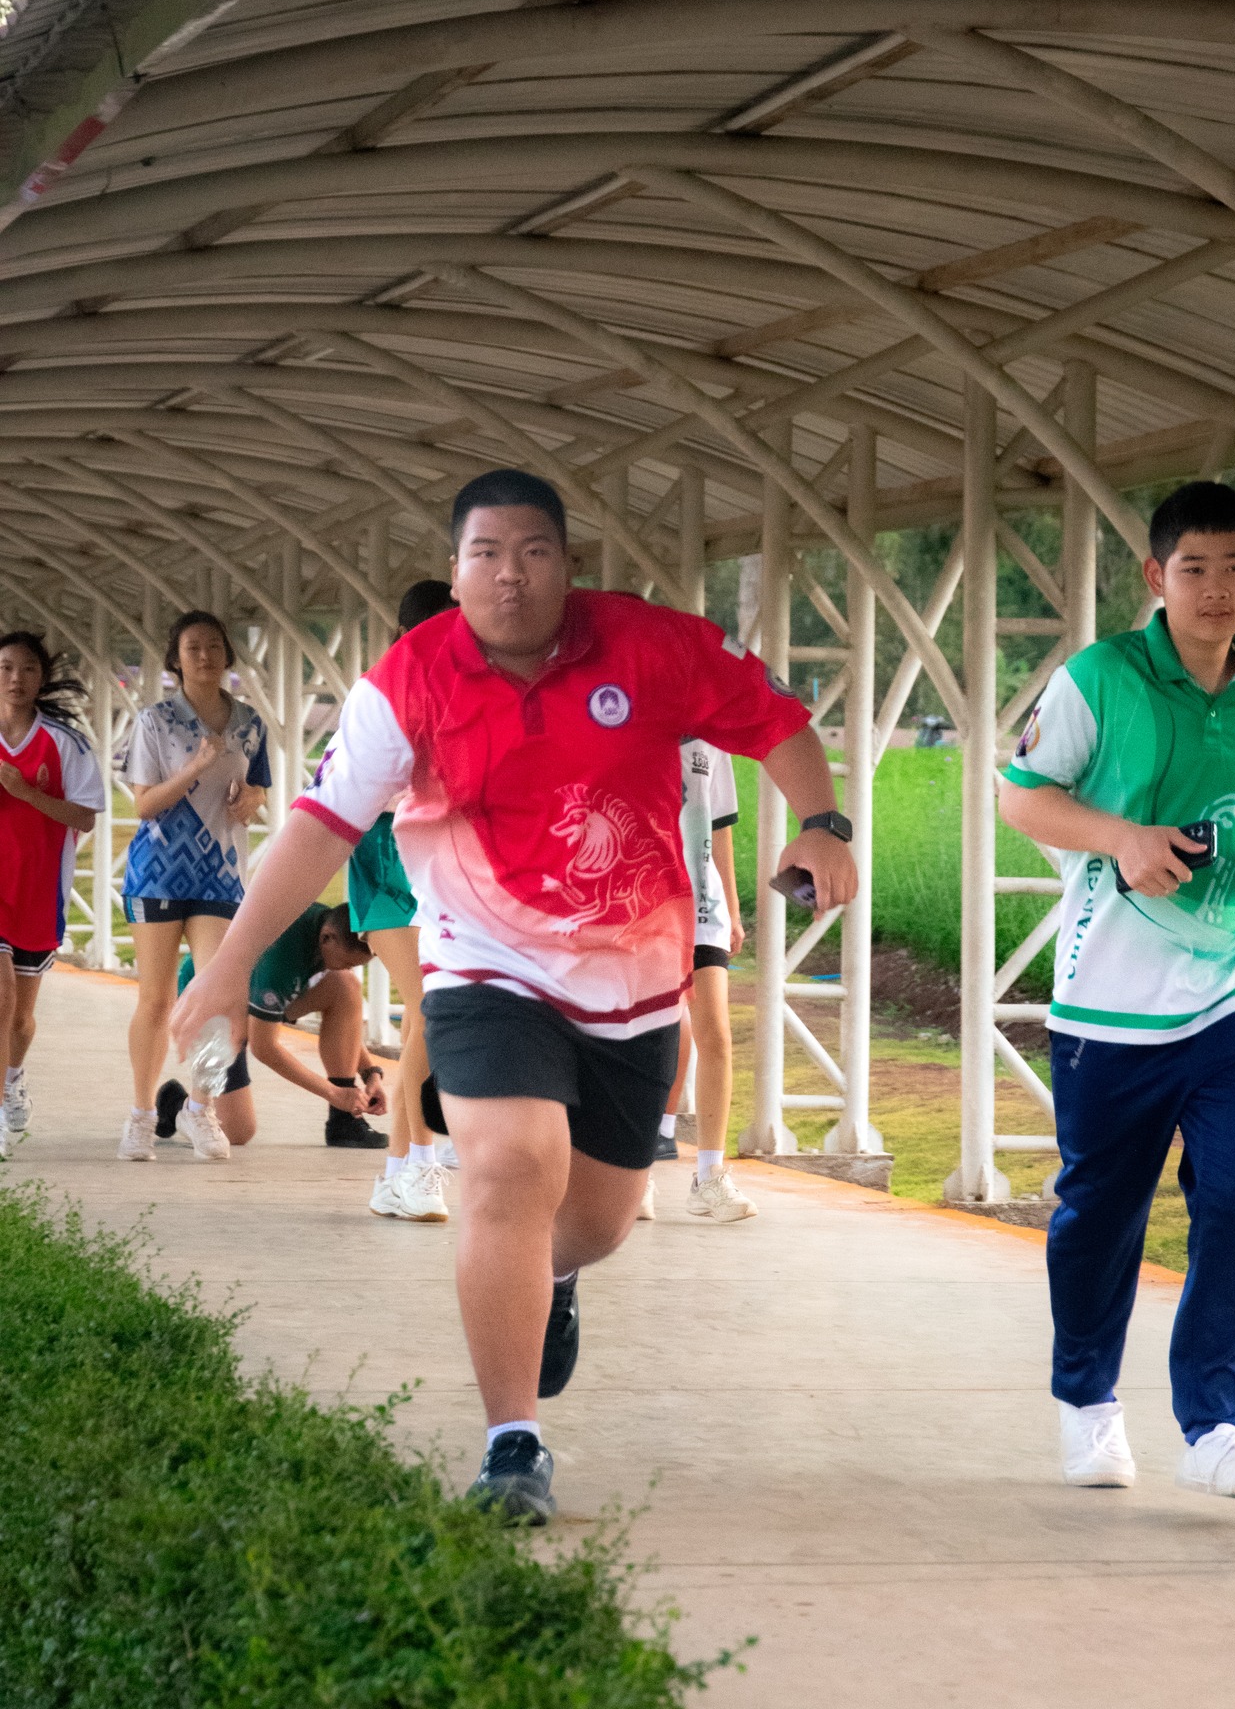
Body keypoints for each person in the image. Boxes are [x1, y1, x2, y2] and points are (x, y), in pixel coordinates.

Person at [172, 467, 857, 1526]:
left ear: (566, 565)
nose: (510, 574)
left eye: (533, 552)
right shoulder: (409, 681)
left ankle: (554, 1278)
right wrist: (225, 971)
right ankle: (512, 1443)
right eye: (485, 554)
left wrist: (823, 824)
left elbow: (779, 723)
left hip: (634, 978)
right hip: (483, 962)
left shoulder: (651, 645)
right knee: (508, 1163)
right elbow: (318, 826)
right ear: (455, 573)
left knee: (601, 1219)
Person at [998, 481, 1235, 1504]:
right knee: (1101, 1217)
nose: (1216, 586)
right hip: (1108, 1003)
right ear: (1156, 576)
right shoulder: (1099, 678)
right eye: (1194, 567)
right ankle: (1087, 1403)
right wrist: (1122, 839)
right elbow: (1020, 796)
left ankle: (1219, 1424)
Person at [118, 610, 269, 1165]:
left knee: (219, 998)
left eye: (213, 646)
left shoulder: (250, 723)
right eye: (192, 648)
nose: (204, 656)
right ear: (175, 660)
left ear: (227, 654)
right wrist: (196, 766)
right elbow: (144, 804)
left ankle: (199, 1108)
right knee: (156, 999)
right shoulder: (155, 721)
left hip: (220, 874)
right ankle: (141, 1114)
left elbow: (258, 791)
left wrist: (251, 799)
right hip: (157, 871)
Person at [357, 578, 457, 1224]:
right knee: (427, 1005)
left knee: (430, 1014)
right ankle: (417, 1162)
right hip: (384, 864)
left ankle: (397, 1171)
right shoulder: (381, 692)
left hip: (437, 866)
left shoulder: (469, 690)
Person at [160, 902, 388, 1150]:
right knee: (237, 1131)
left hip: (254, 994)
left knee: (345, 985)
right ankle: (175, 1104)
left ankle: (344, 1120)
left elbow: (345, 1027)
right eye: (346, 962)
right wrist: (333, 1093)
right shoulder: (281, 960)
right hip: (212, 1009)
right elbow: (264, 1048)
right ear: (327, 938)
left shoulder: (327, 925)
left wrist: (370, 1073)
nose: (348, 967)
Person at [641, 738, 755, 1223]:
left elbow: (719, 826)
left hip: (702, 904)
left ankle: (710, 1176)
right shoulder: (622, 716)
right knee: (647, 1037)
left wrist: (732, 908)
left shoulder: (713, 740)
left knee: (717, 1034)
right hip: (640, 900)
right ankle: (635, 1173)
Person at [0, 632, 105, 1154]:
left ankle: (13, 1077)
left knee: (20, 1018)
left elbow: (84, 818)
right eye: (5, 667)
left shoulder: (66, 744)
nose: (15, 678)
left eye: (27, 669)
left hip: (38, 894)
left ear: (42, 678)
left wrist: (24, 792)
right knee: (1, 1001)